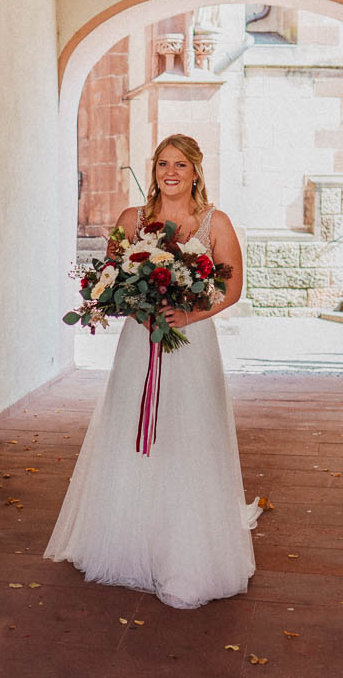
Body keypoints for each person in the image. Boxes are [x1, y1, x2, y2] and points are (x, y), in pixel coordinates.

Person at [45, 133, 263, 609]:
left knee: (189, 435)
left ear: (195, 172)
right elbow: (108, 279)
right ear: (154, 169)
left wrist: (189, 315)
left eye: (180, 165)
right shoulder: (132, 220)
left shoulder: (214, 222)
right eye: (163, 163)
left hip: (191, 345)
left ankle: (187, 549)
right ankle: (130, 542)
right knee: (132, 433)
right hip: (140, 346)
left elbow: (233, 289)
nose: (171, 172)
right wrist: (132, 305)